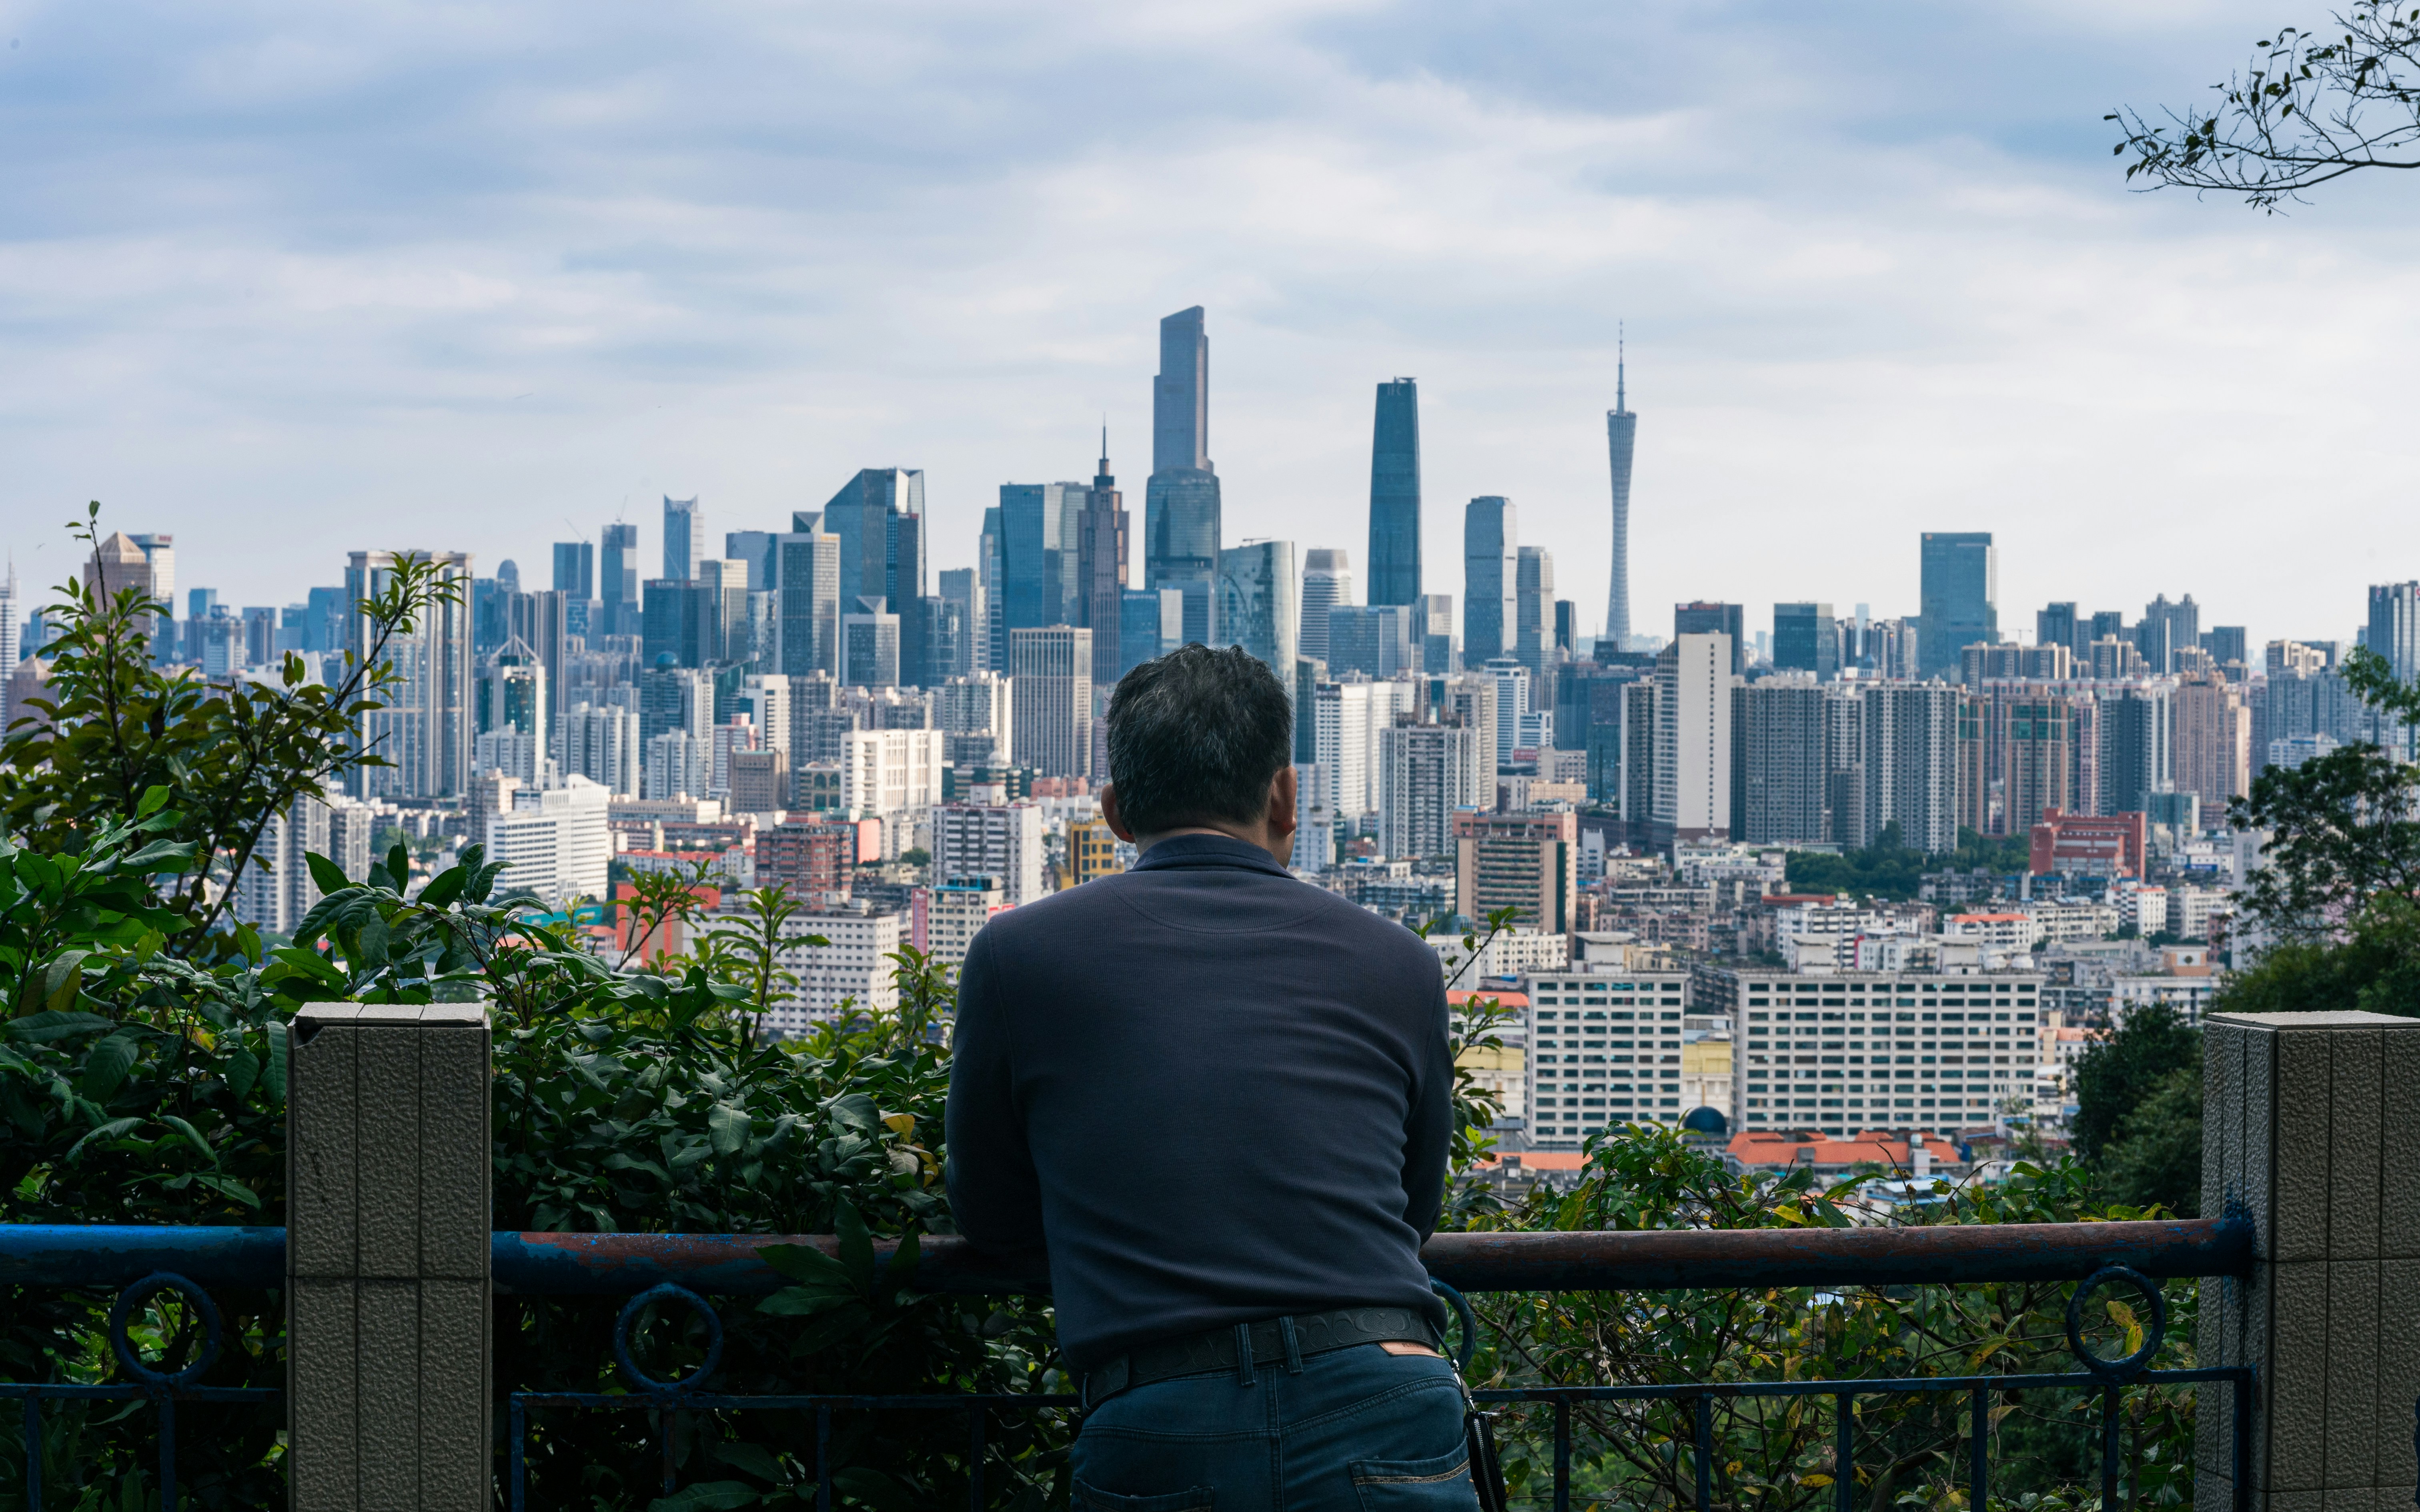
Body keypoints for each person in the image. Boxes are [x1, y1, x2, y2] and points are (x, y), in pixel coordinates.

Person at [946, 644, 1477, 1511]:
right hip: (1388, 1395)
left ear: (1116, 813)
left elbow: (991, 1217)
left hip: (1160, 1409)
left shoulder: (1017, 954)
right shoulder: (1399, 962)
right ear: (1285, 797)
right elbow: (1412, 1212)